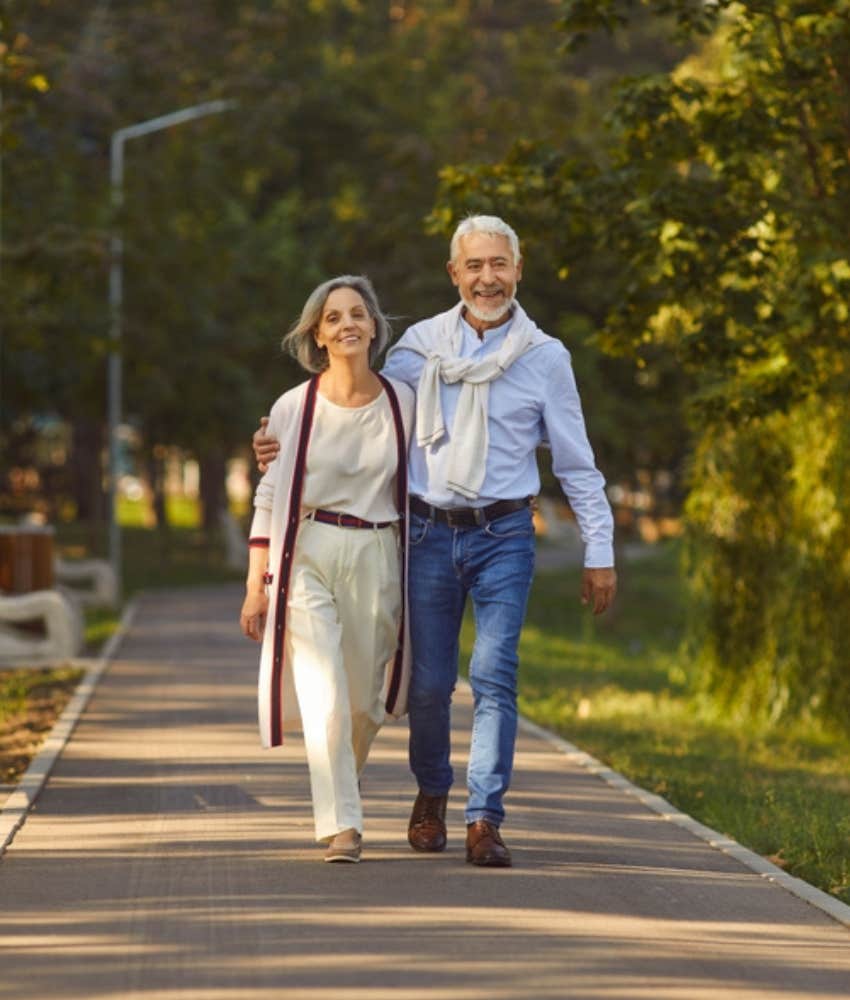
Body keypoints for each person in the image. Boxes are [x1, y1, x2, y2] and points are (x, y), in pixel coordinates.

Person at [253, 217, 616, 868]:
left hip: (505, 532)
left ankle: (485, 818)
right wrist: (281, 442)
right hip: (425, 532)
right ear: (455, 274)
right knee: (426, 685)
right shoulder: (418, 350)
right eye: (474, 265)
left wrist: (599, 549)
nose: (487, 277)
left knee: (495, 676)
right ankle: (432, 792)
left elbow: (576, 462)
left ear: (517, 269)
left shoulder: (546, 358)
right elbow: (365, 416)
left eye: (499, 264)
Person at [240, 274, 414, 864]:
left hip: (377, 551)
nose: (347, 325)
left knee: (366, 701)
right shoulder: (294, 406)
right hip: (308, 550)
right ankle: (343, 824)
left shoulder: (402, 401)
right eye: (334, 317)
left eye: (357, 314)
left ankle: (342, 783)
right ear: (317, 334)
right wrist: (254, 587)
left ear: (373, 327)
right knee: (325, 691)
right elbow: (269, 497)